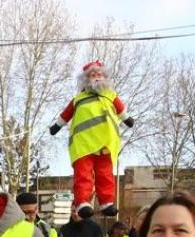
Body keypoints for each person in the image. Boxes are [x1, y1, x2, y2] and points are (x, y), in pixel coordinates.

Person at [49, 60, 134, 218]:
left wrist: (127, 119)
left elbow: (121, 110)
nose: (96, 77)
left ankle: (106, 202)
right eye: (92, 75)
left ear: (105, 77)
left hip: (105, 142)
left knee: (105, 173)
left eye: (99, 74)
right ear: (85, 79)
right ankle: (82, 202)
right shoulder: (78, 98)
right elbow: (66, 114)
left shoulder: (110, 95)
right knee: (83, 174)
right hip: (83, 143)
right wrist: (56, 126)